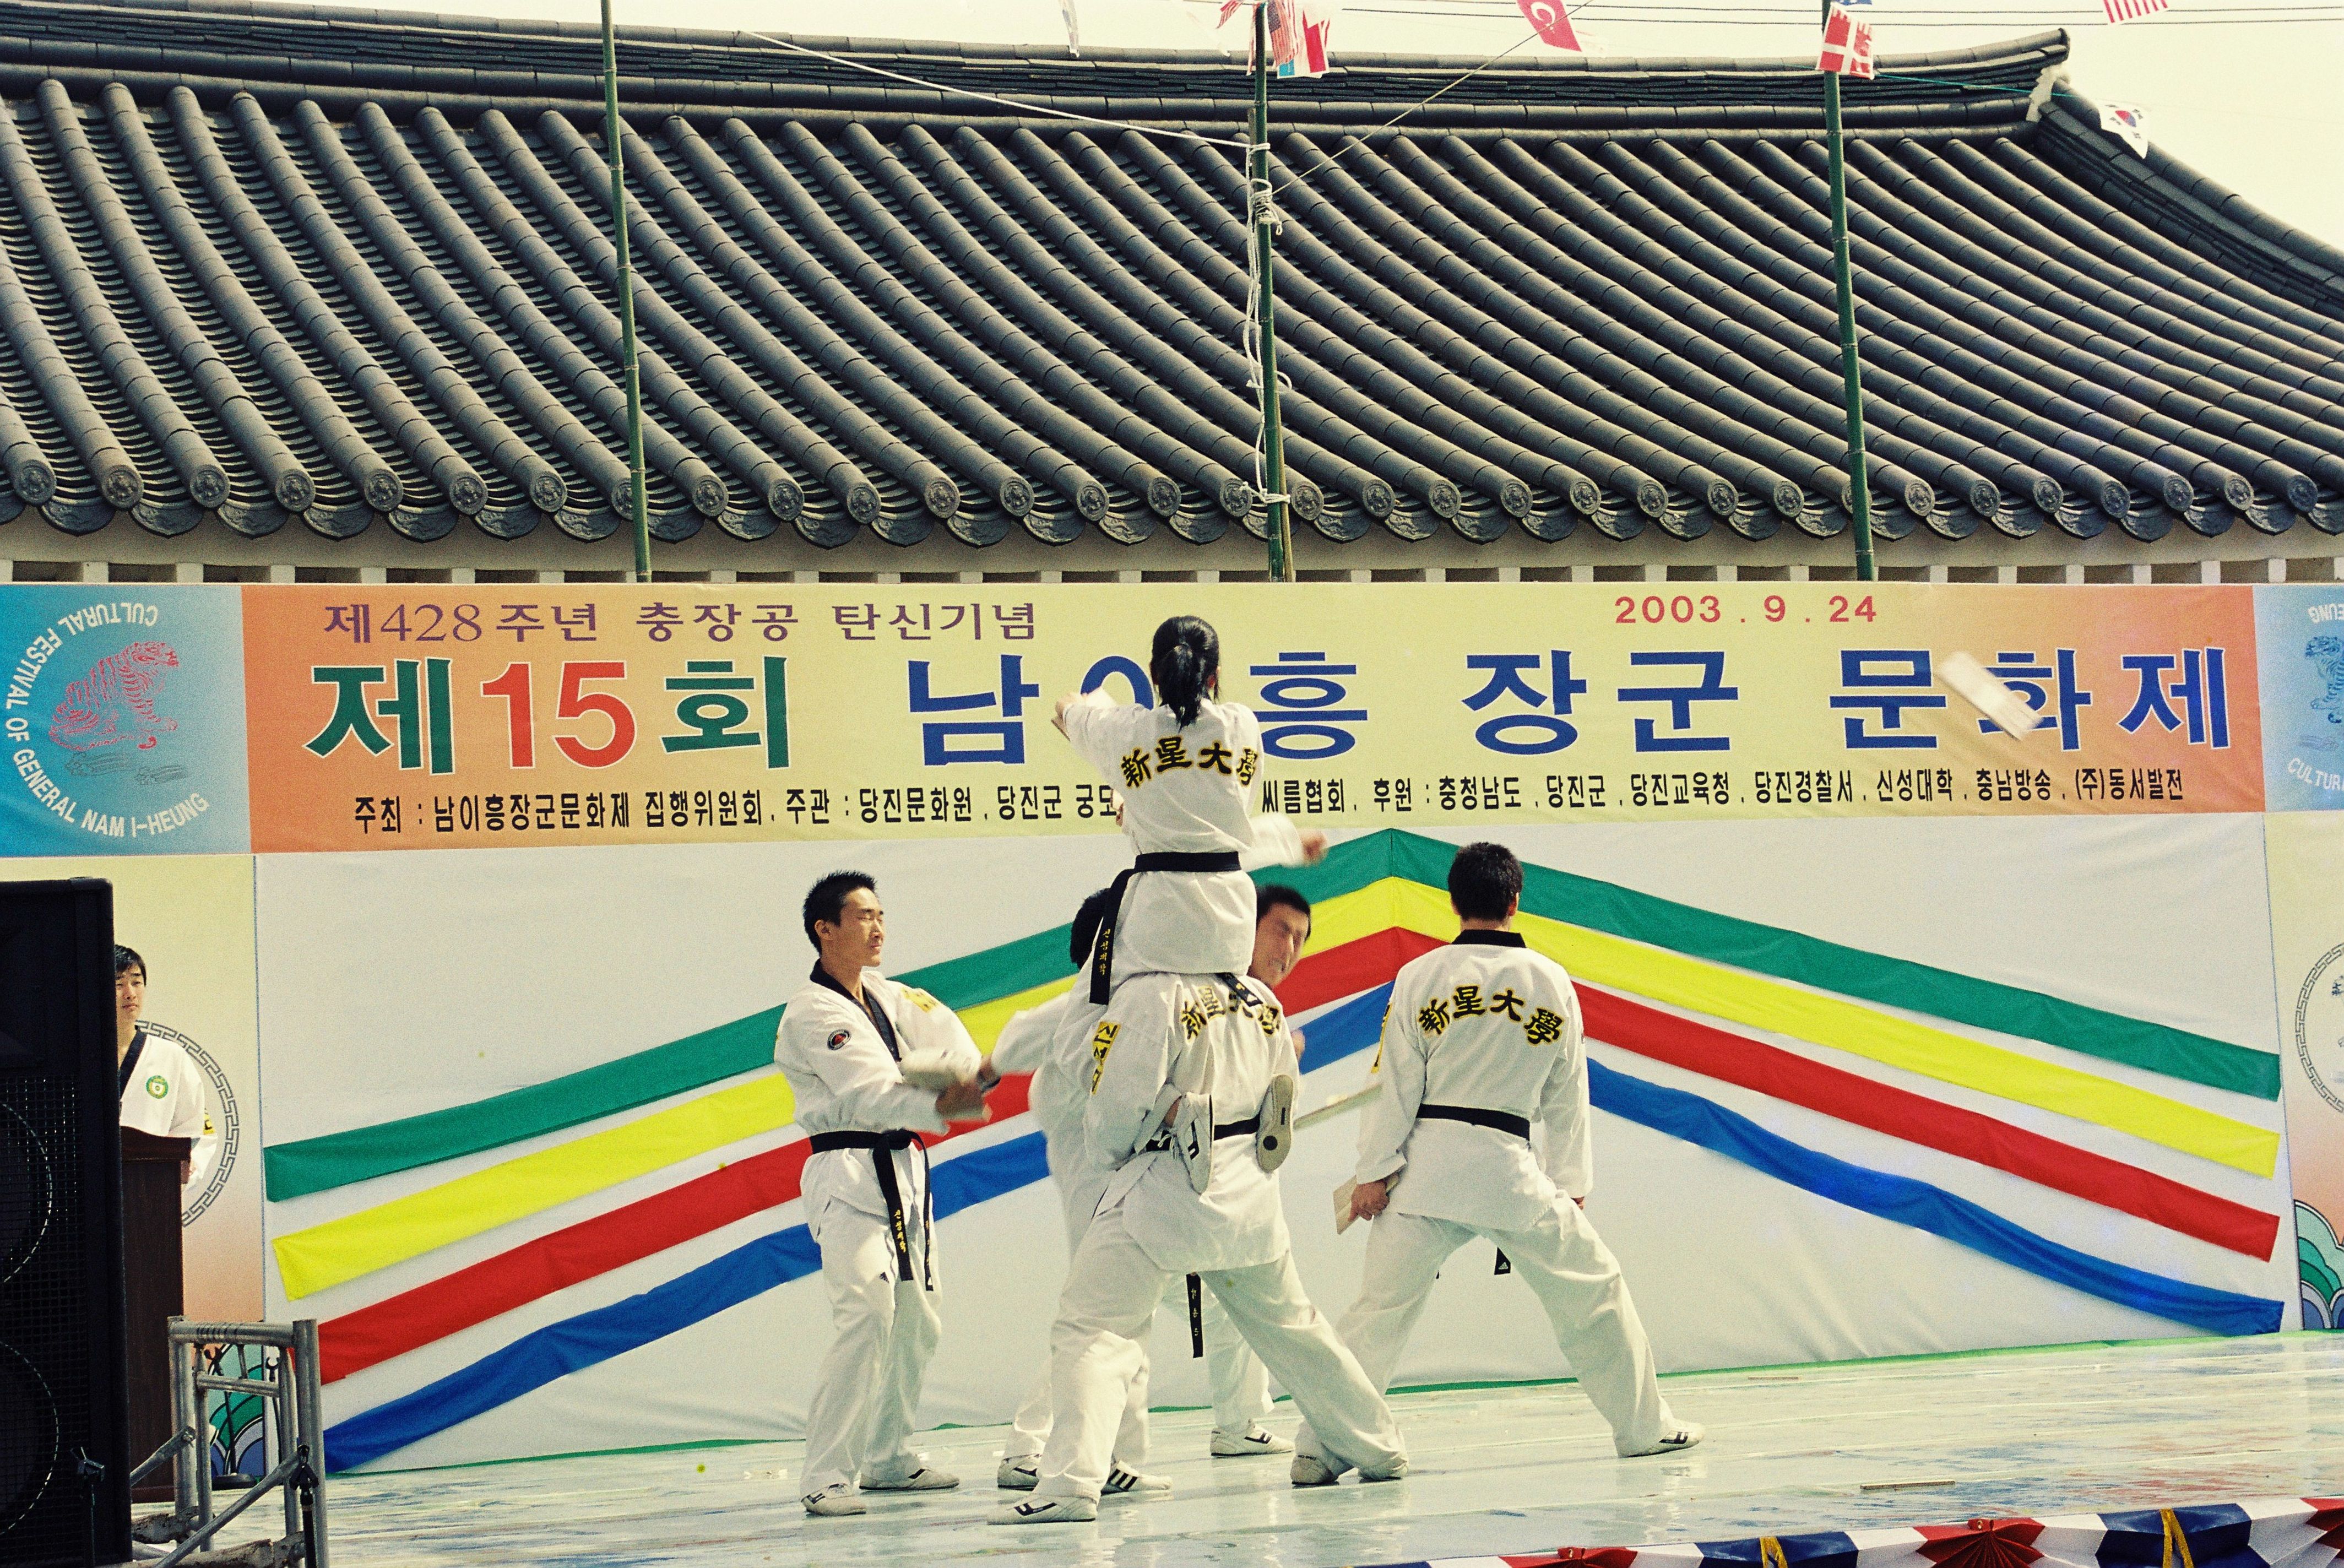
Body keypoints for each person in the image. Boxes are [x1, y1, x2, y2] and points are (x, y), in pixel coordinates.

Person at [1292, 842, 1701, 1485]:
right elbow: (1567, 1092)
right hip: (1509, 1173)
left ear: (1453, 903)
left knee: (1376, 1315)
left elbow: (1393, 1084)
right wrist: (1570, 1184)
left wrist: (1374, 1171)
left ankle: (1320, 1448)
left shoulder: (1420, 976)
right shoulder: (1549, 981)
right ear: (1515, 901)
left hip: (1423, 1171)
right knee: (1593, 1292)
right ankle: (1643, 1429)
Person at [995, 968, 1406, 1525]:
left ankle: (1072, 1478)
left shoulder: (1149, 994)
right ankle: (1377, 1445)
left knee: (1094, 1330)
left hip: (1157, 1195)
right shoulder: (1257, 1000)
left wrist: (1149, 1120)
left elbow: (1116, 1112)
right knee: (1293, 1328)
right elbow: (1282, 1101)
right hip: (1247, 1198)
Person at [991, 880, 1324, 1490]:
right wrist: (980, 1073)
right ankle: (1036, 1448)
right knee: (1105, 1328)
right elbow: (1018, 1045)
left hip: (1154, 1189)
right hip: (1110, 1191)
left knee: (1207, 1309)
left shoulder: (1168, 1001)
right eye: (1282, 931)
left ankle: (1236, 1422)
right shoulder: (1099, 1004)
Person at [775, 871, 991, 1519]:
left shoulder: (892, 995)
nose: (877, 928)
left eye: (880, 915)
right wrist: (939, 1102)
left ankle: (889, 1456)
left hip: (905, 1167)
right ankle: (824, 1475)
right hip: (845, 1168)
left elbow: (950, 1039)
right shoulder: (811, 1012)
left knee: (917, 1318)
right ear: (825, 930)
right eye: (862, 916)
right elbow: (867, 1091)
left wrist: (964, 1077)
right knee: (866, 1315)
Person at [1056, 616, 1271, 1000]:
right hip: (1231, 925)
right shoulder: (1242, 725)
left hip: (1160, 919)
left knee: (1085, 1013)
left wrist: (1085, 710)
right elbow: (1212, 802)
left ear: (1154, 674)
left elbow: (1064, 708)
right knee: (1224, 1017)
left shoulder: (1126, 729)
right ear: (1215, 676)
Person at [115, 945, 217, 1187]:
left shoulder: (171, 1056)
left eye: (137, 983)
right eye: (118, 984)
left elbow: (196, 1132)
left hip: (151, 1190)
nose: (130, 994)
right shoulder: (77, 1059)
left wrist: (184, 1169)